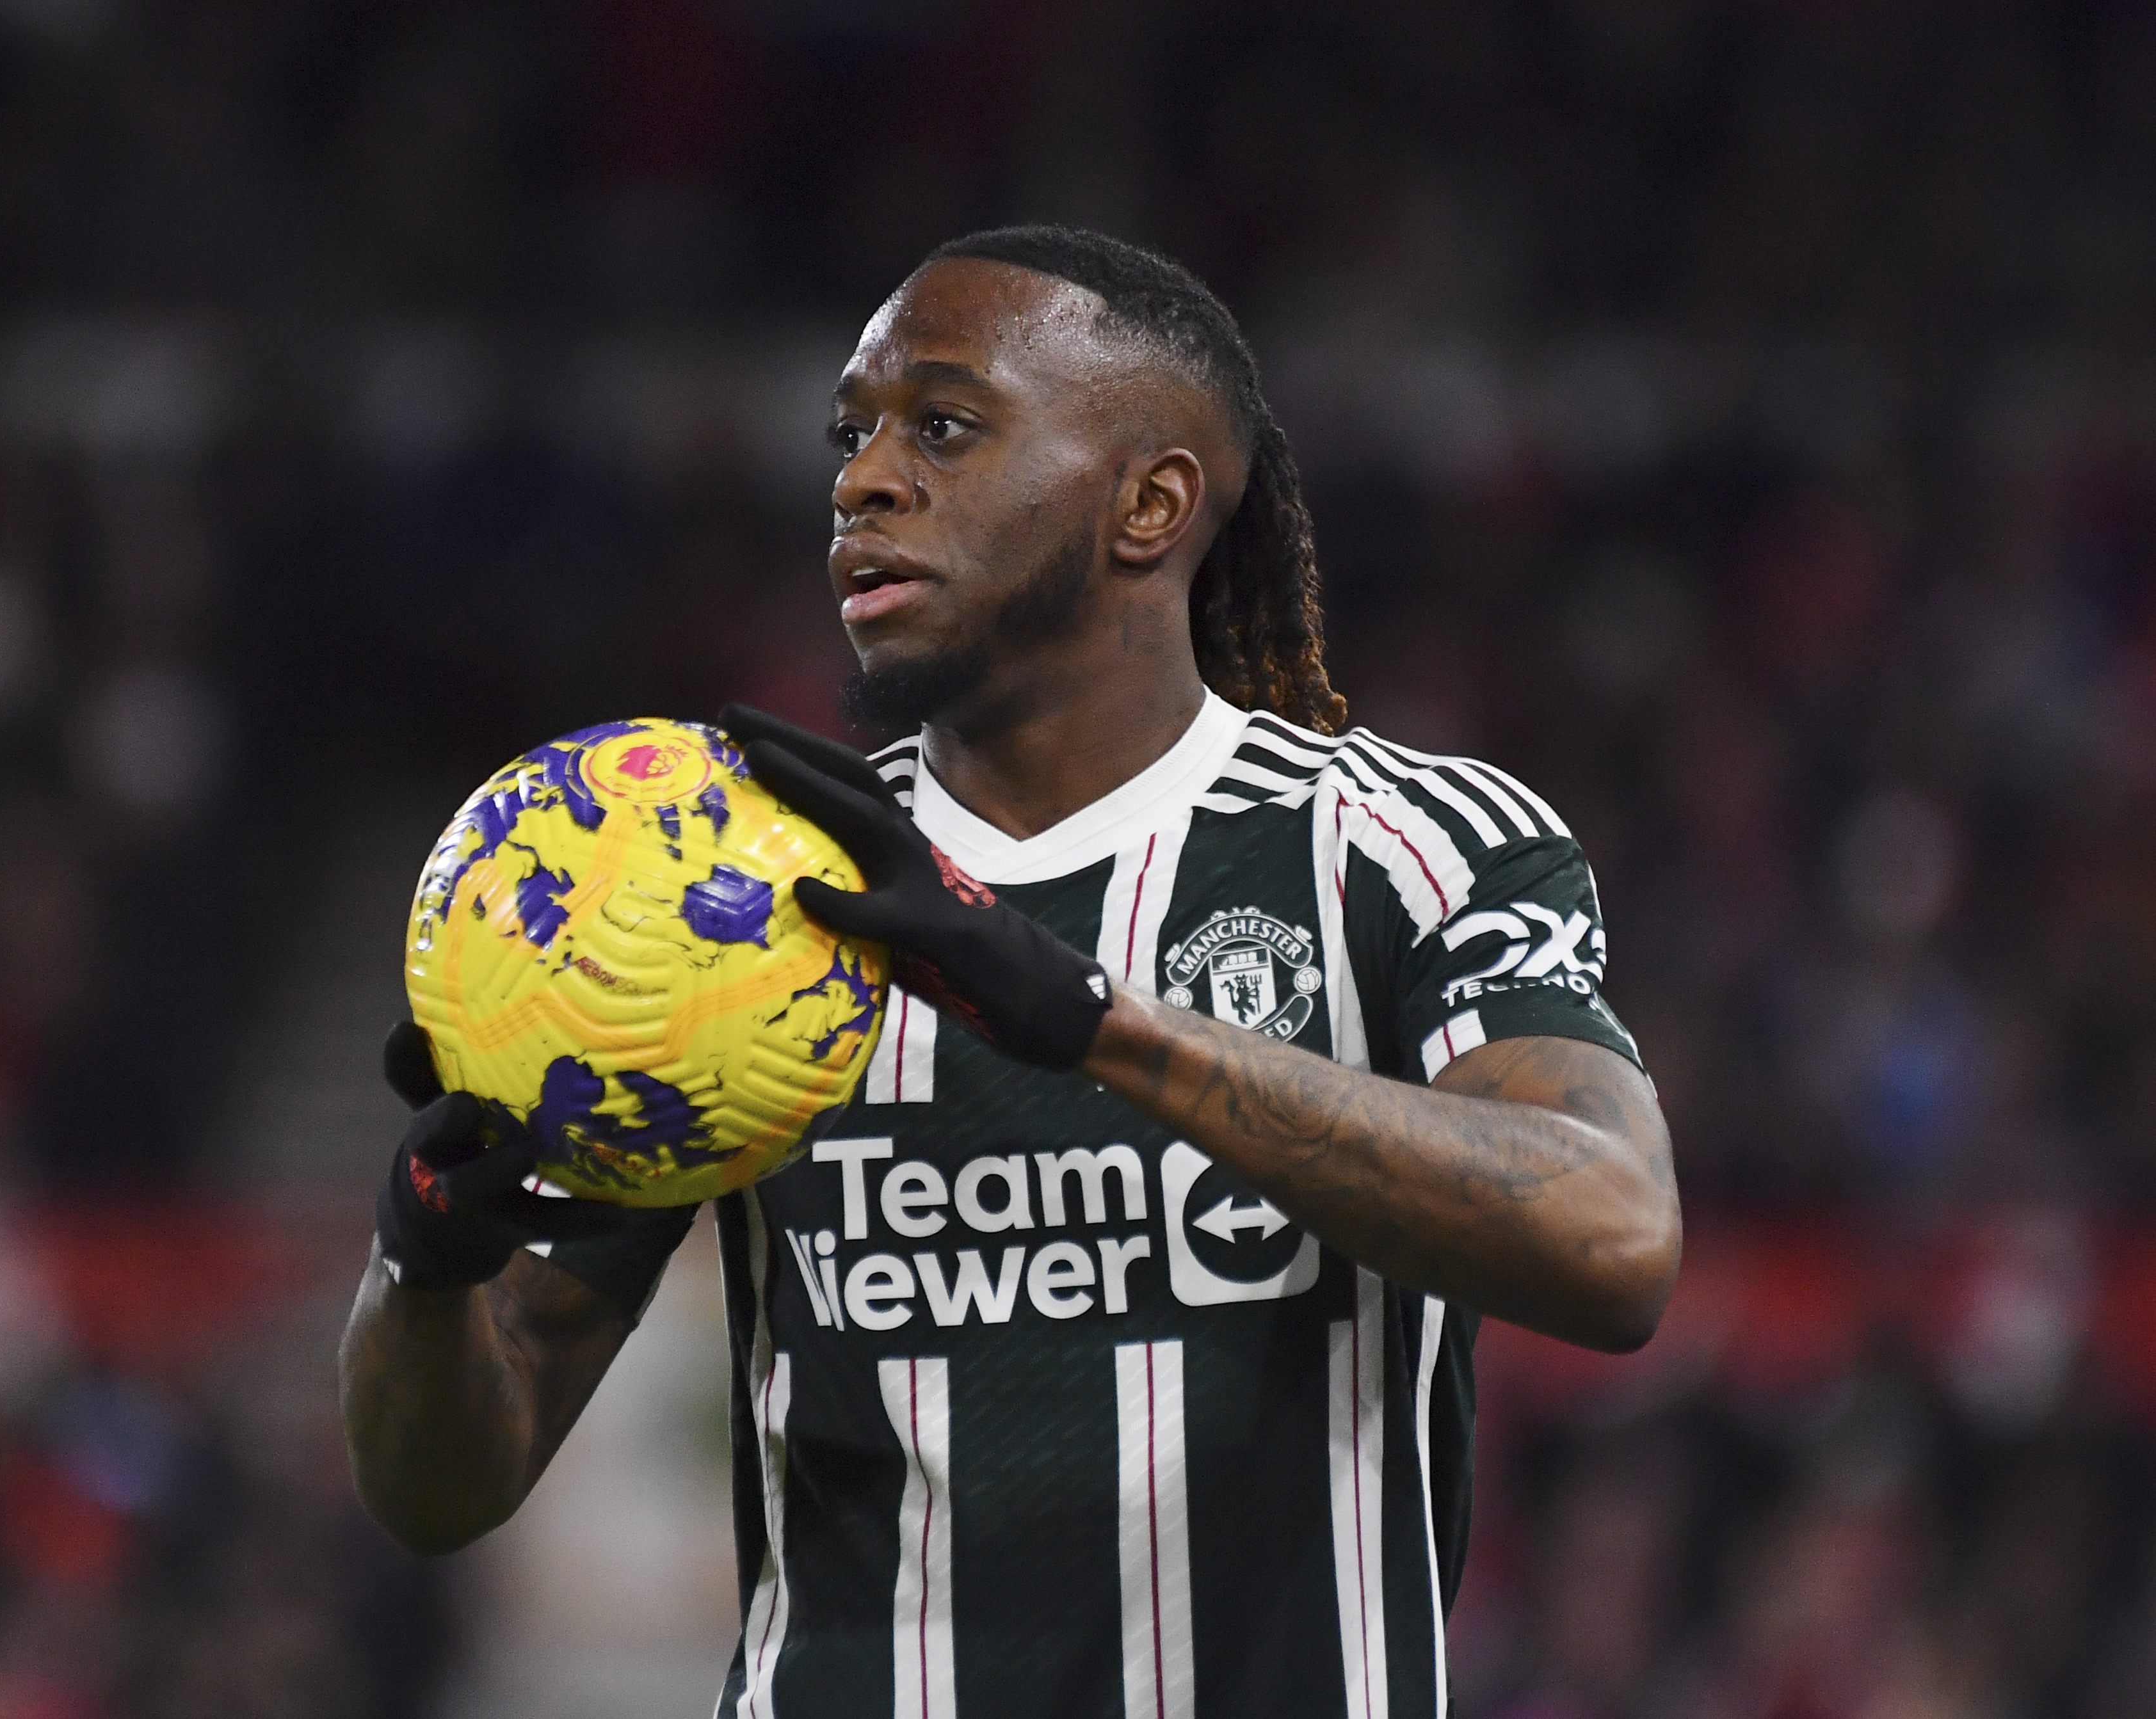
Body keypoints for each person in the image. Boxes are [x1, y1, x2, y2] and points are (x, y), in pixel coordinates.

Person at [339, 226, 1680, 1719]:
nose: (861, 479)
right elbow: (444, 1478)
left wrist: (1092, 1022)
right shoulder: (744, 897)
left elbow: (1611, 1238)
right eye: (851, 432)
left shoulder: (1399, 845)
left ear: (1149, 503)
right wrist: (423, 1272)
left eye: (945, 426)